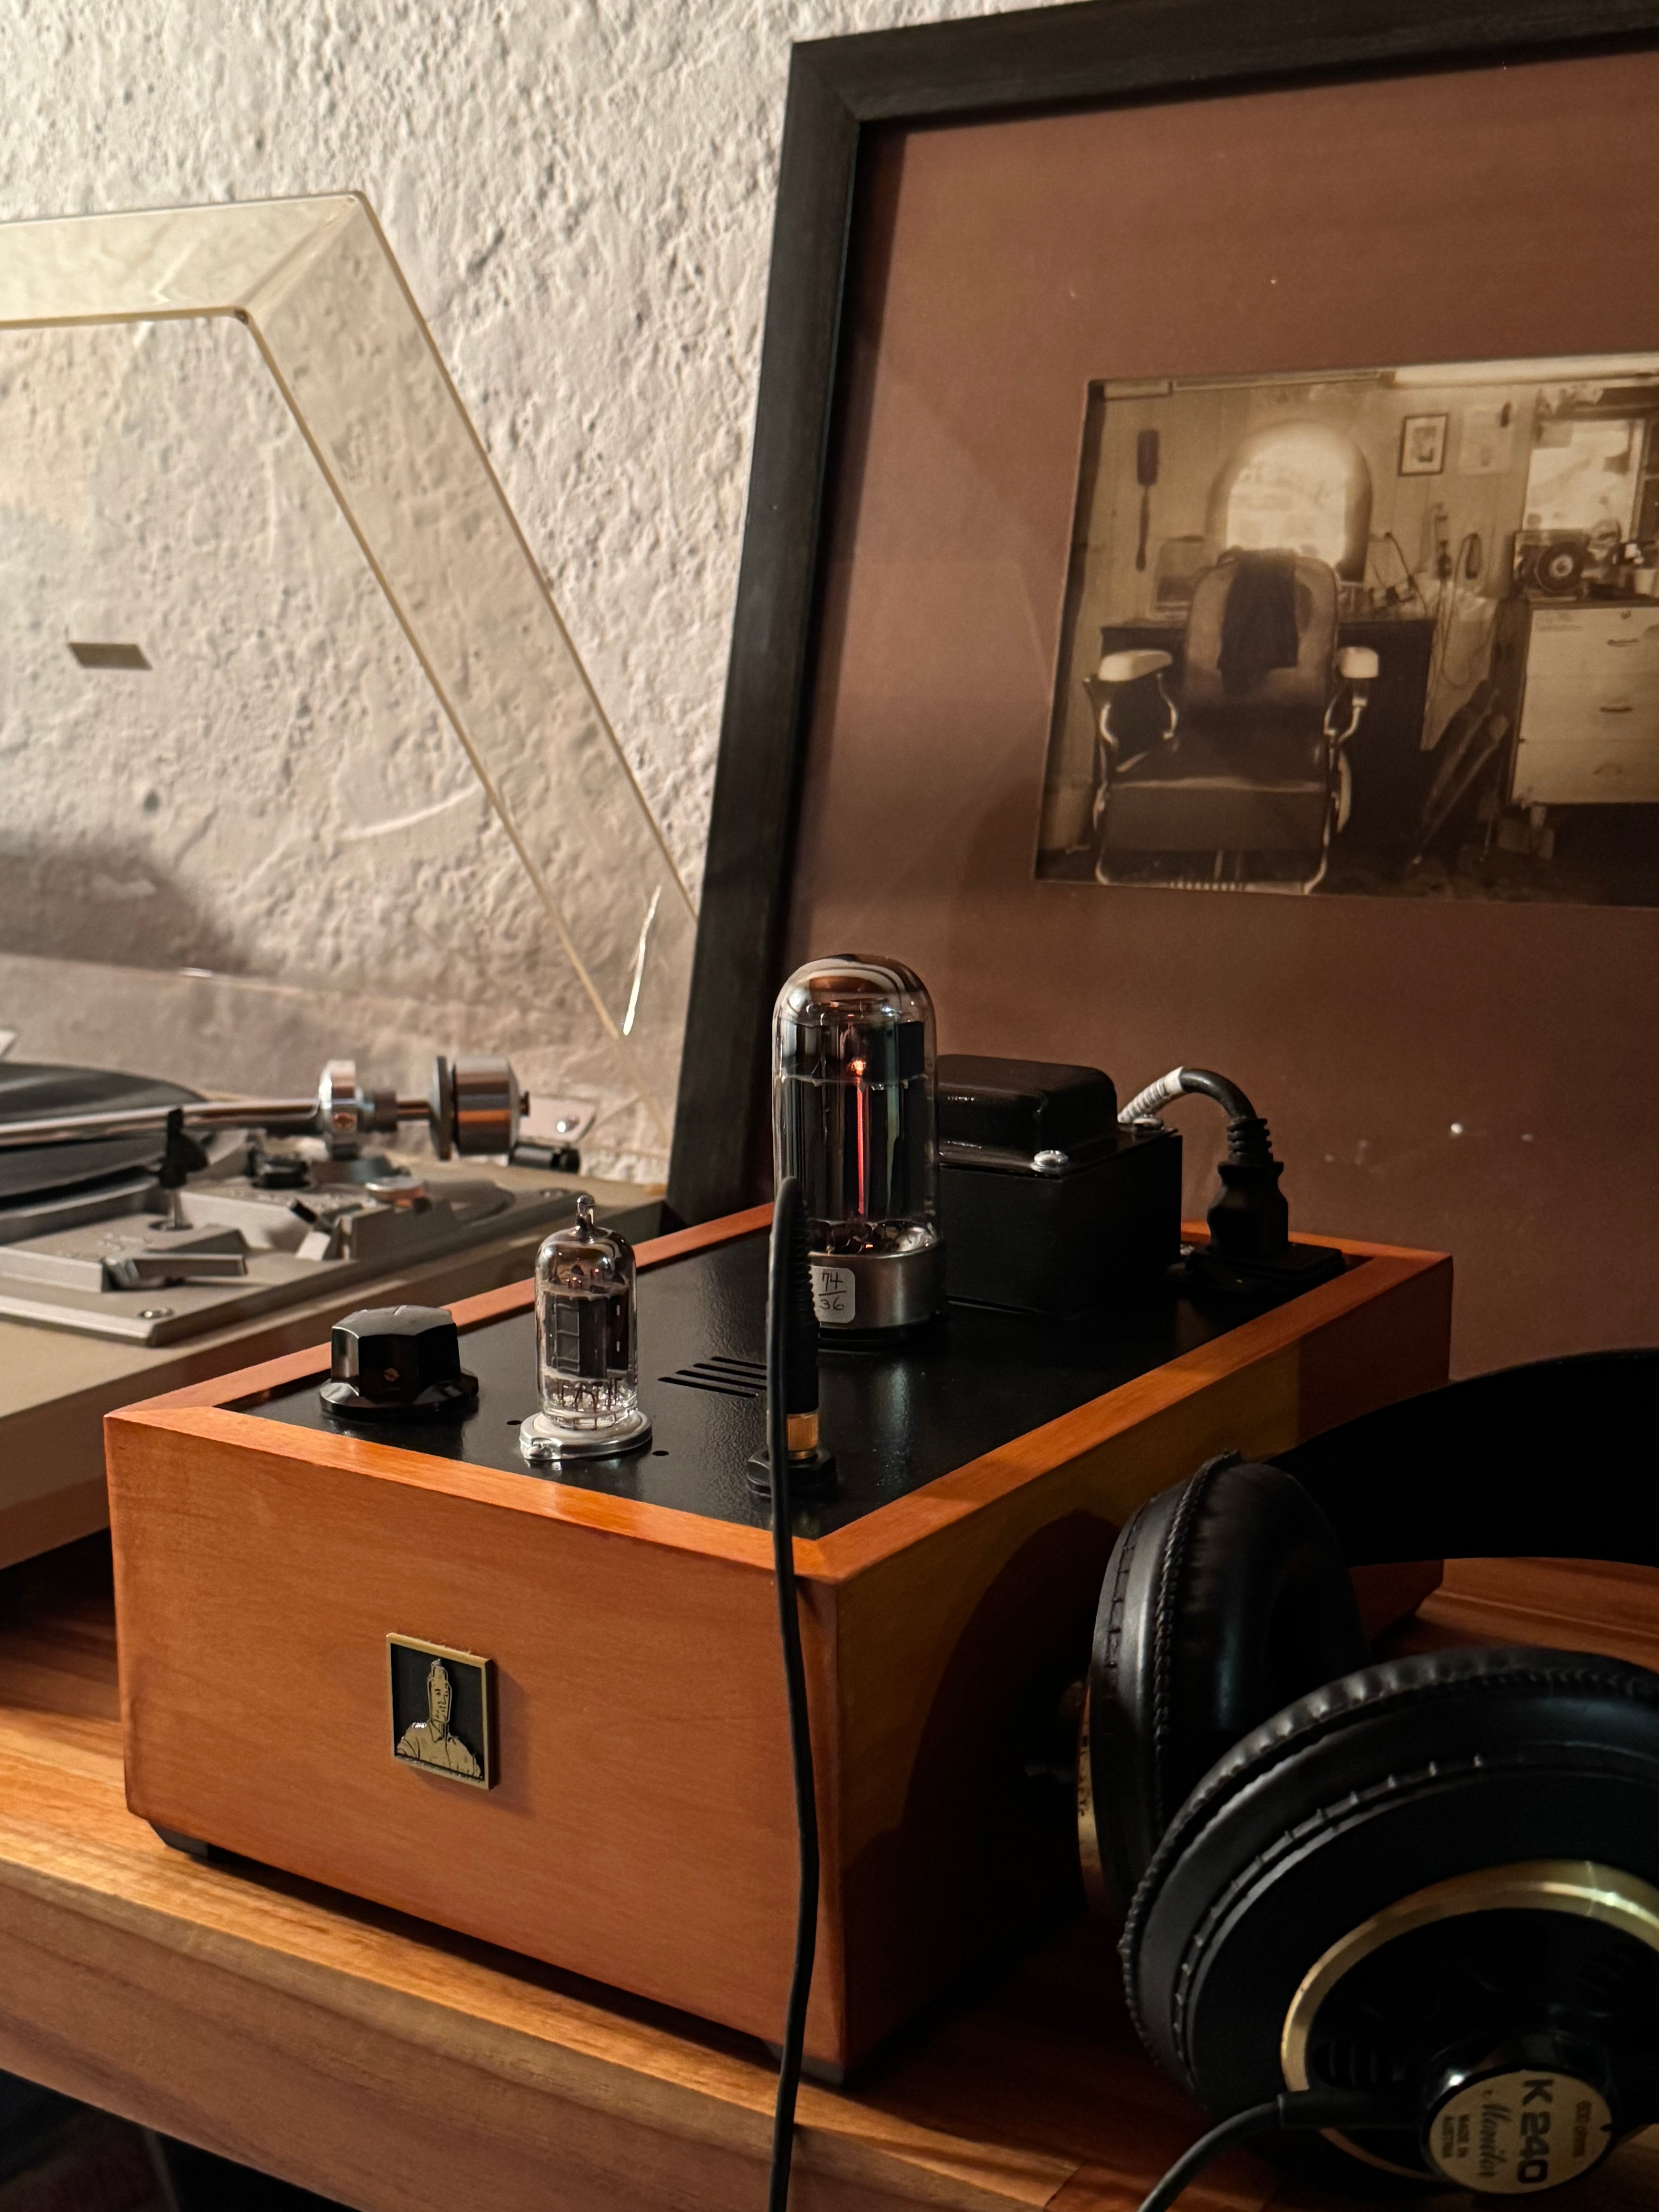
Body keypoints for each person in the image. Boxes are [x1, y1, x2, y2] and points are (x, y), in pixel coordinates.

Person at [395, 1657, 481, 1778]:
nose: (443, 1701)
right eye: (438, 1693)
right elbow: (400, 1772)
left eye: (446, 1694)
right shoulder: (415, 1739)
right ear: (430, 1695)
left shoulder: (463, 1753)